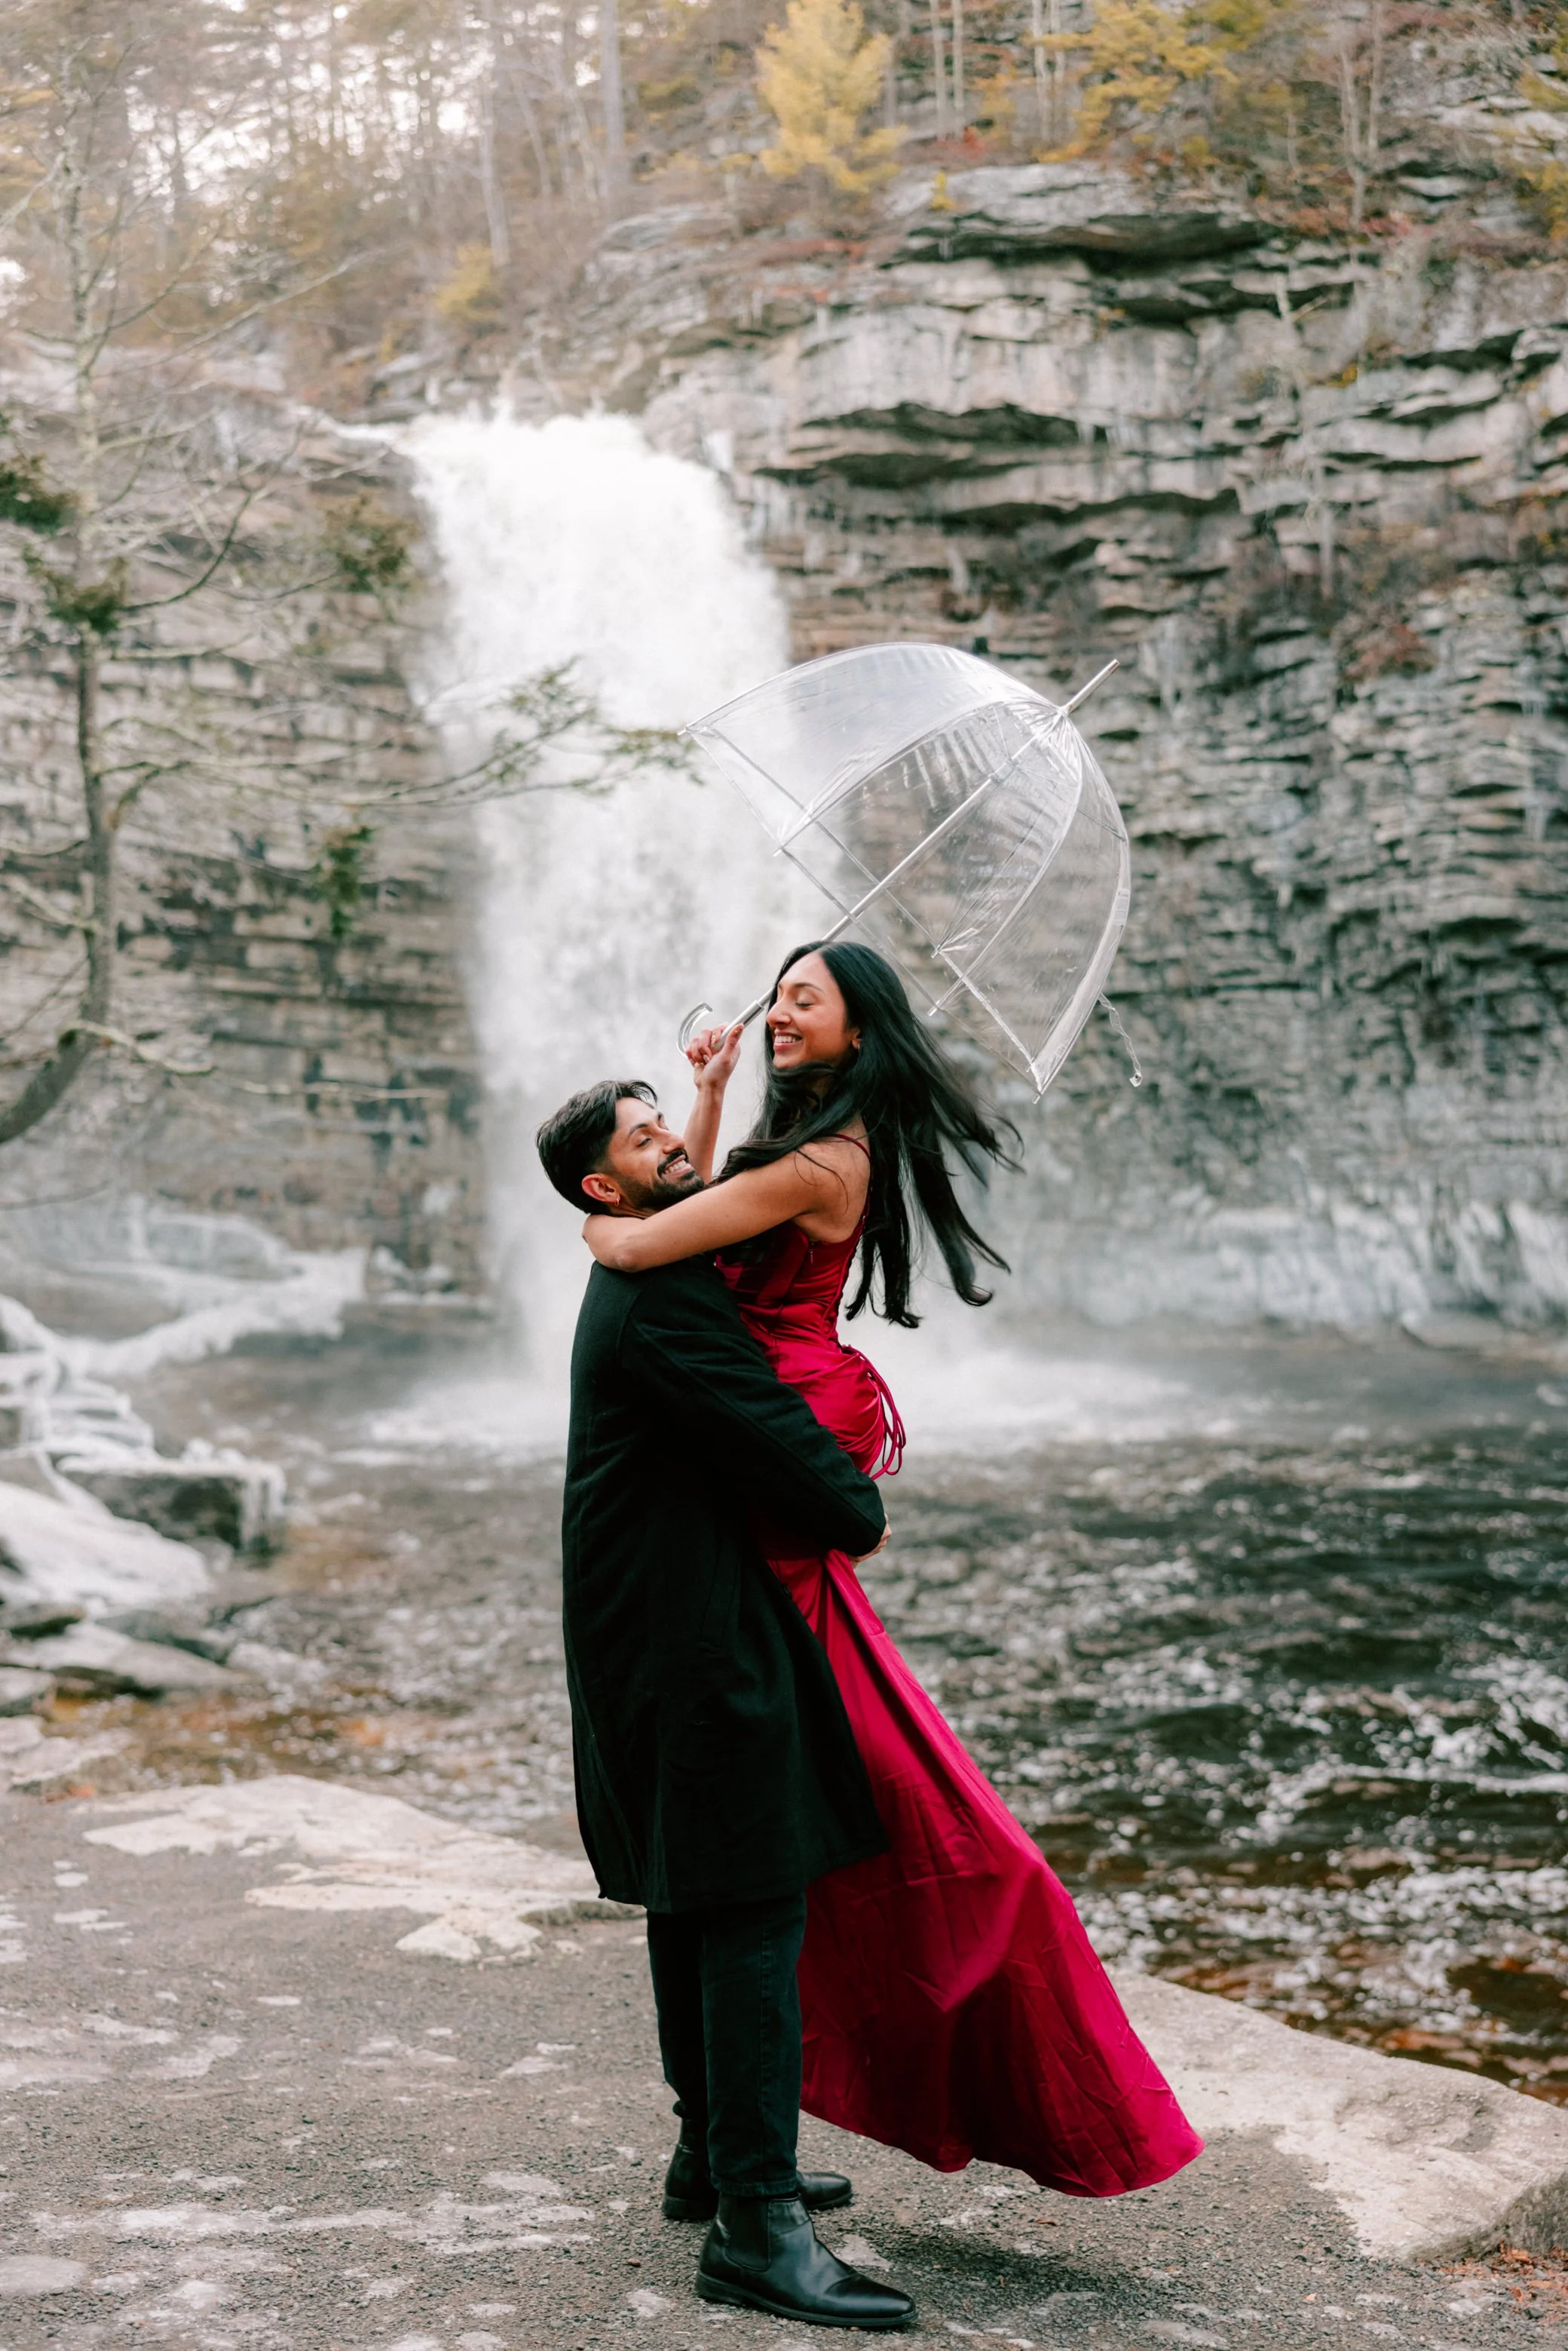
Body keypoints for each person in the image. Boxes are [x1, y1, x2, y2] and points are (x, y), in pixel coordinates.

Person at [582, 941, 1204, 2198]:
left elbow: (649, 1245)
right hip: (757, 1440)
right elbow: (699, 1200)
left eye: (807, 999)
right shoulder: (809, 1141)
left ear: (865, 1032)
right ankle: (724, 2149)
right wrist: (701, 1096)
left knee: (791, 1800)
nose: (781, 1012)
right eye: (783, 993)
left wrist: (595, 1215)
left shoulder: (819, 1161)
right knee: (792, 1793)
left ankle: (736, 2155)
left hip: (770, 1451)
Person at [535, 1077, 917, 2331]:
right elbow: (770, 1439)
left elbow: (669, 1200)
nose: (676, 1145)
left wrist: (692, 1104)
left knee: (693, 1892)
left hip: (643, 1615)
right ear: (608, 1187)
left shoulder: (638, 1264)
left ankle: (710, 2159)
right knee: (750, 1899)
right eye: (650, 1141)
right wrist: (858, 1496)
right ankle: (758, 2226)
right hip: (686, 1631)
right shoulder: (667, 1305)